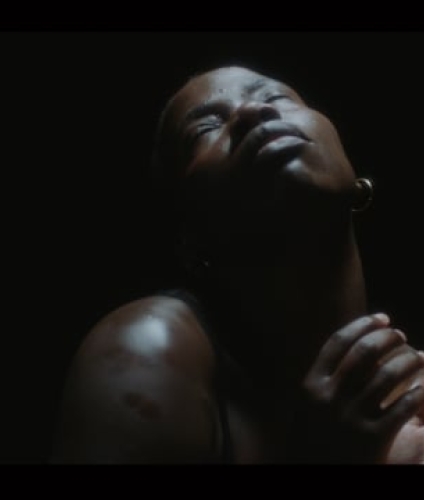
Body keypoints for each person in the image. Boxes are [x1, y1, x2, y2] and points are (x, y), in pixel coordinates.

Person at [50, 65, 424, 464]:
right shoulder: (148, 349)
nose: (252, 111)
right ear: (189, 237)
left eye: (275, 97)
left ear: (355, 179)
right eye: (204, 129)